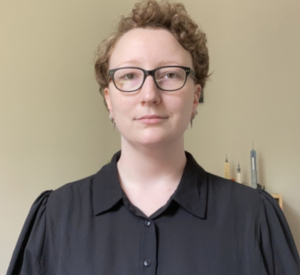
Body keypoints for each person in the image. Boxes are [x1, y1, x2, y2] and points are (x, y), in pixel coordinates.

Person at [7, 0, 300, 274]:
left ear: (195, 96)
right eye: (129, 76)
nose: (149, 95)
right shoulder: (55, 217)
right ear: (109, 99)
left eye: (170, 75)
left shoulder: (255, 217)